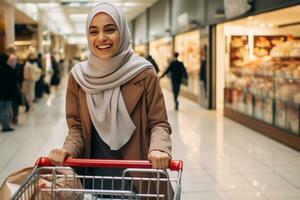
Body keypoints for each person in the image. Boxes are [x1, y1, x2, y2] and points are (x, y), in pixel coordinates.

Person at [48, 2, 172, 198]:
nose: (101, 38)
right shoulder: (79, 77)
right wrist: (67, 150)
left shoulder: (143, 73)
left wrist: (159, 148)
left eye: (110, 29)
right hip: (93, 177)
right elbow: (77, 128)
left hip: (137, 177)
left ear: (122, 32)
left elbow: (159, 123)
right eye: (93, 31)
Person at [0, 53, 18, 132]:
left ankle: (5, 124)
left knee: (2, 110)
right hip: (8, 94)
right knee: (6, 110)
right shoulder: (10, 69)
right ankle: (6, 126)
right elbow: (14, 83)